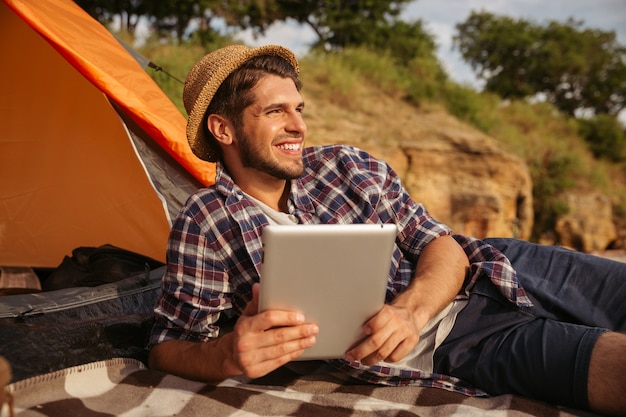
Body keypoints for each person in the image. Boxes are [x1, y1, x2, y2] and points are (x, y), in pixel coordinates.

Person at [148, 44, 626, 416]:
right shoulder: (206, 222)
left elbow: (445, 244)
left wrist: (410, 311)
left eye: (299, 109)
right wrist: (226, 355)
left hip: (497, 262)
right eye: (275, 112)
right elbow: (167, 346)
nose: (298, 125)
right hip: (460, 339)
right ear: (224, 129)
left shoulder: (348, 165)